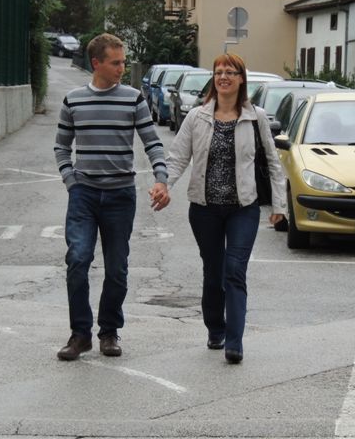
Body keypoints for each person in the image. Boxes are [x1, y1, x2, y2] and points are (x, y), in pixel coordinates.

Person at [54, 33, 170, 361]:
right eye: (116, 63)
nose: (122, 68)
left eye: (123, 62)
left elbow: (153, 142)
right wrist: (71, 181)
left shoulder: (133, 99)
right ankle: (80, 334)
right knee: (77, 259)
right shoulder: (73, 100)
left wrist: (161, 179)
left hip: (120, 195)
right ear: (97, 64)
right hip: (84, 195)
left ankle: (108, 332)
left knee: (117, 269)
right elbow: (62, 147)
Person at [166, 53, 287, 364]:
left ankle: (235, 341)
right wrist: (163, 185)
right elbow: (178, 156)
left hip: (242, 208)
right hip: (204, 209)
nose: (223, 77)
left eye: (230, 72)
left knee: (234, 271)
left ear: (241, 79)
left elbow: (274, 163)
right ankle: (215, 328)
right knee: (213, 272)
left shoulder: (256, 117)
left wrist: (279, 206)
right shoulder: (197, 117)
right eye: (219, 72)